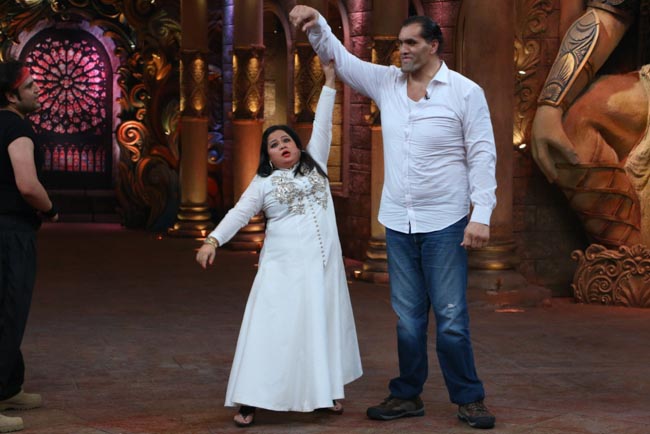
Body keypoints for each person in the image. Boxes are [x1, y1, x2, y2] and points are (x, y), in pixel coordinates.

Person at [290, 6, 497, 429]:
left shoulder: (465, 92)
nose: (401, 50)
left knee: (451, 318)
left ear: (433, 46)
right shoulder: (387, 83)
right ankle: (407, 395)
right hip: (399, 221)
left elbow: (482, 154)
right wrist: (317, 25)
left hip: (445, 222)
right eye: (400, 43)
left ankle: (469, 398)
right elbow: (341, 60)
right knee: (408, 320)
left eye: (410, 43)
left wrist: (482, 214)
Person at [196, 60, 362, 428]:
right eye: (273, 144)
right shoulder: (264, 183)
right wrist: (212, 240)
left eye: (286, 140)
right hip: (283, 270)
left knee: (320, 327)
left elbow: (322, 123)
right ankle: (250, 400)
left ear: (297, 146)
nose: (282, 145)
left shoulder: (316, 164)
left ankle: (325, 392)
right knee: (272, 329)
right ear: (267, 155)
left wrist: (330, 82)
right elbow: (239, 213)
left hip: (322, 269)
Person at [0, 60, 58, 433]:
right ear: (11, 95)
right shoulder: (17, 127)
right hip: (10, 232)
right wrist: (51, 209)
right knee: (9, 311)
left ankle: (8, 388)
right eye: (30, 86)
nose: (38, 89)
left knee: (6, 310)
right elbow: (27, 184)